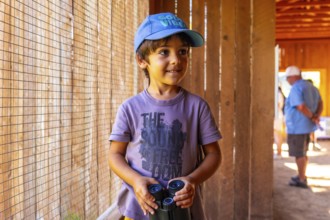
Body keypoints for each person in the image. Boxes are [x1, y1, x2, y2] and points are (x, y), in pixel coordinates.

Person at [108, 12, 222, 220]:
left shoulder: (197, 107)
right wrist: (135, 181)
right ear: (142, 60)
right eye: (164, 52)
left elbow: (214, 155)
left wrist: (192, 180)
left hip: (182, 211)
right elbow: (115, 155)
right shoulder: (130, 108)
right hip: (139, 210)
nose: (175, 60)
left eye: (182, 51)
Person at [284, 65, 323, 188]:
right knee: (303, 152)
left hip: (297, 127)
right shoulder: (311, 87)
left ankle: (301, 179)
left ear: (294, 76)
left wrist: (312, 116)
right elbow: (321, 103)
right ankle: (302, 174)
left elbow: (300, 106)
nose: (287, 81)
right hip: (307, 126)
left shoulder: (296, 88)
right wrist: (316, 116)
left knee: (299, 154)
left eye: (288, 78)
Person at [274, 86, 286, 158]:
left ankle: (279, 152)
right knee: (277, 134)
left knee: (278, 134)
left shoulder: (277, 94)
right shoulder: (279, 94)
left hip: (277, 115)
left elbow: (277, 105)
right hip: (278, 115)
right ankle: (278, 151)